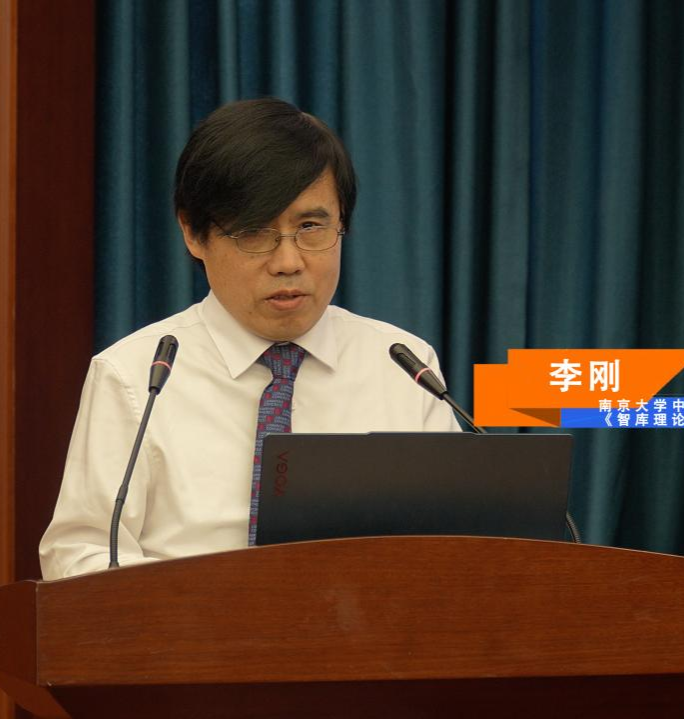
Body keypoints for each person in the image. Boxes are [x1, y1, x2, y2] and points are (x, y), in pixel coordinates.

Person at [39, 98, 460, 579]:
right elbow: (82, 553)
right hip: (192, 624)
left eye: (310, 227)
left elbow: (452, 542)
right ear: (193, 234)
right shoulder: (136, 376)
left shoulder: (402, 365)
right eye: (255, 233)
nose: (288, 262)